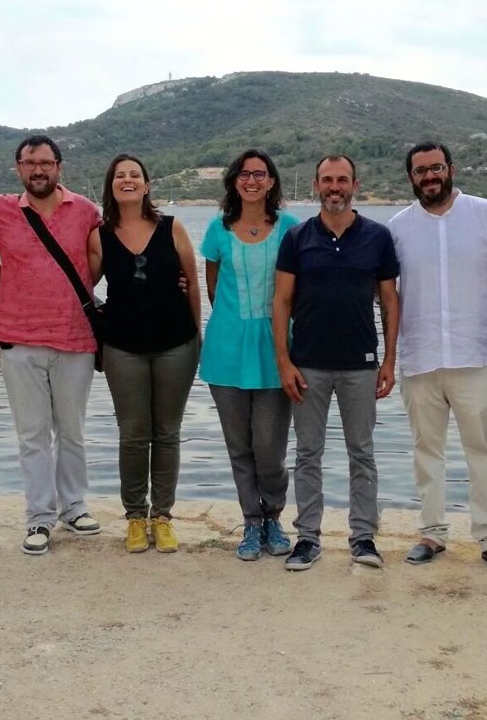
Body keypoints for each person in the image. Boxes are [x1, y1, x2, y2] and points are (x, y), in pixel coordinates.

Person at [388, 141, 487, 573]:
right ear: (411, 177)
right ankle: (431, 532)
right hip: (420, 355)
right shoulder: (398, 227)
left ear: (451, 169)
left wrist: (478, 308)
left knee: (482, 450)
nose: (430, 176)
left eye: (436, 167)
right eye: (420, 170)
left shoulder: (486, 214)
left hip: (475, 354)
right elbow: (387, 292)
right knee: (426, 450)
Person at [273, 154, 399, 571]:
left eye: (342, 180)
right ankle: (307, 538)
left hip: (361, 364)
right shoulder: (297, 238)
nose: (334, 187)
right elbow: (281, 301)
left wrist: (389, 360)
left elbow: (390, 301)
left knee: (362, 453)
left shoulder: (378, 237)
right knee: (308, 453)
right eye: (327, 180)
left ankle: (363, 537)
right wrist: (284, 361)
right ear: (316, 186)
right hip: (307, 364)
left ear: (354, 185)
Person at [0, 136, 104, 555]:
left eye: (46, 163)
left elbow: (102, 260)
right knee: (32, 434)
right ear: (19, 168)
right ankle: (39, 517)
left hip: (76, 337)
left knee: (72, 430)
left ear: (59, 167)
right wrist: (11, 293)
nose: (38, 170)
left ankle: (74, 506)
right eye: (30, 163)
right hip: (19, 339)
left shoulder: (85, 210)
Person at [88, 154, 200, 554]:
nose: (128, 180)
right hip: (122, 348)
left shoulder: (173, 228)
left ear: (147, 185)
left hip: (176, 345)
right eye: (120, 175)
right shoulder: (99, 235)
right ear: (111, 186)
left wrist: (197, 336)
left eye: (135, 174)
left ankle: (163, 517)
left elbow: (193, 284)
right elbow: (83, 286)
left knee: (167, 433)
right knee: (134, 435)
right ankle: (136, 516)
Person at [200, 149, 299, 561]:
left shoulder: (290, 228)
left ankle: (274, 514)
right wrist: (234, 322)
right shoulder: (218, 230)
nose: (252, 180)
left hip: (277, 349)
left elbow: (297, 287)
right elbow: (212, 287)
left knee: (270, 448)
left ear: (271, 181)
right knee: (239, 446)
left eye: (260, 174)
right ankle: (252, 523)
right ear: (234, 181)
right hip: (226, 350)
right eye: (244, 173)